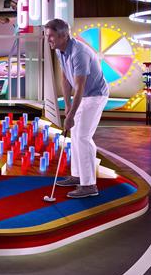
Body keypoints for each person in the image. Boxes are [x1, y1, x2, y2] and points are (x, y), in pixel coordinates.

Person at [45, 18, 109, 198]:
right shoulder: (60, 50)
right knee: (75, 134)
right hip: (84, 95)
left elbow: (80, 86)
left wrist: (71, 115)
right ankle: (77, 175)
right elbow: (66, 79)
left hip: (95, 95)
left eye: (51, 36)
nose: (48, 39)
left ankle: (89, 185)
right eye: (47, 36)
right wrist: (67, 105)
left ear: (64, 36)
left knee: (82, 136)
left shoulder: (79, 53)